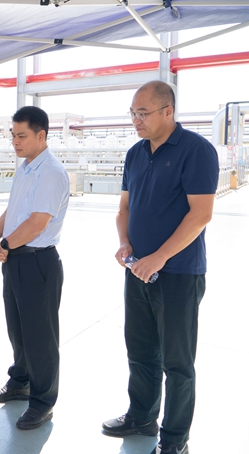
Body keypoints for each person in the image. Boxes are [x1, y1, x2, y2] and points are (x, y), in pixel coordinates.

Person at [101, 81, 219, 454]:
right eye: (132, 113)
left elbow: (201, 214)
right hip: (137, 270)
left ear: (168, 111)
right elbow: (124, 208)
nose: (135, 120)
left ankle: (174, 439)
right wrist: (124, 242)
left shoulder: (196, 150)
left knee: (177, 362)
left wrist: (160, 256)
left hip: (178, 274)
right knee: (139, 350)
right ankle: (141, 416)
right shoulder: (136, 153)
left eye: (143, 113)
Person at [0, 105, 69, 430]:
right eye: (13, 135)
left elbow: (37, 223)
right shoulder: (25, 169)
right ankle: (20, 381)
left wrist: (5, 245)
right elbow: (13, 209)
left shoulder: (51, 172)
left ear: (41, 135)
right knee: (18, 330)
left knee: (40, 337)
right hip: (15, 259)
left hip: (37, 261)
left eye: (21, 136)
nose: (15, 142)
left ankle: (43, 402)